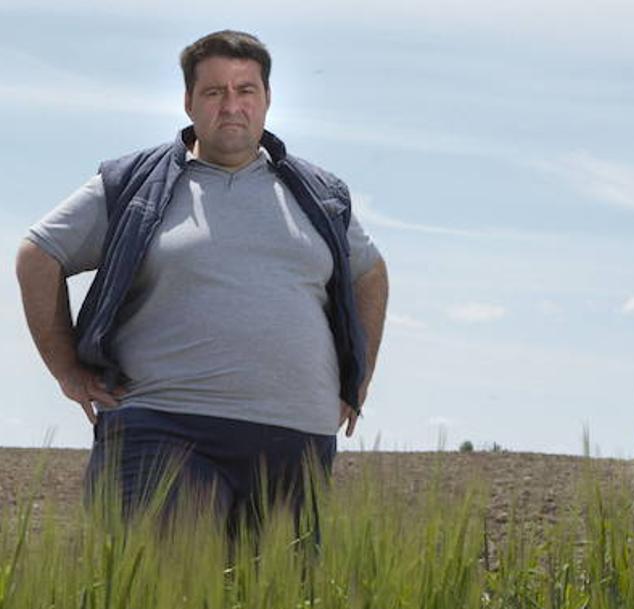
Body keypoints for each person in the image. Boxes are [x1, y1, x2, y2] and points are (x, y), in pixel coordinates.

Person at [15, 30, 389, 540]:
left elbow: (370, 272)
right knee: (171, 605)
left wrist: (357, 376)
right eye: (214, 92)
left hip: (297, 439)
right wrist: (68, 370)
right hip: (164, 429)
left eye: (245, 90)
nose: (231, 106)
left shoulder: (320, 195)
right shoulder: (133, 183)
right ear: (189, 101)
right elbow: (38, 255)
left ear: (267, 99)